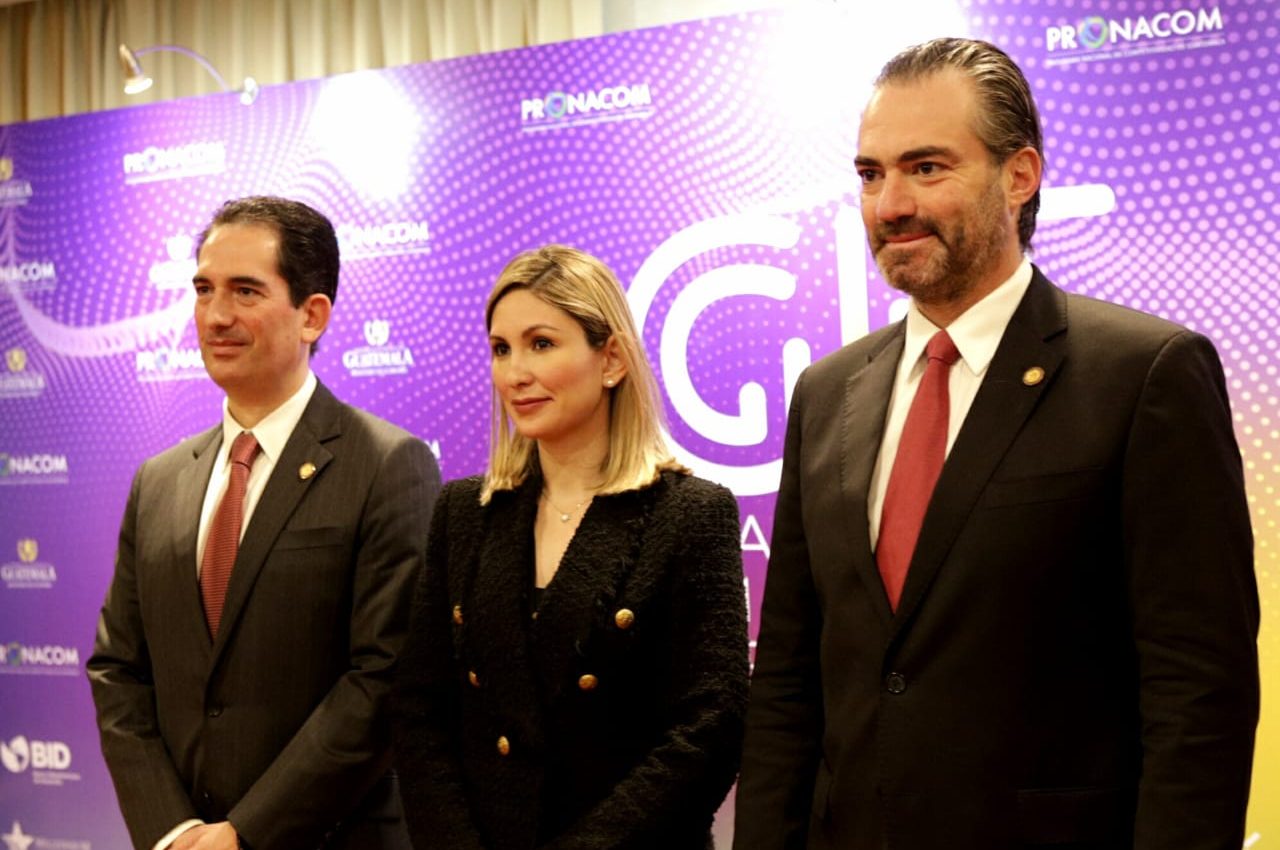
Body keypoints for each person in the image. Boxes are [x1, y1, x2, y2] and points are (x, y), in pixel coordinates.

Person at [735, 37, 1258, 850]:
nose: (890, 204)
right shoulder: (826, 394)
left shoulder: (1144, 376)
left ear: (1020, 176)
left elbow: (1198, 694)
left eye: (927, 168)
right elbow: (788, 682)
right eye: (871, 174)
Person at [87, 196, 441, 850]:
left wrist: (244, 835)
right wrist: (173, 831)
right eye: (204, 290)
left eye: (245, 291)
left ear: (312, 315)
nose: (216, 315)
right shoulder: (158, 481)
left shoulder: (387, 465)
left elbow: (383, 677)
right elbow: (119, 670)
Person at [393, 244, 749, 849]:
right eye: (501, 349)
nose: (515, 373)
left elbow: (709, 725)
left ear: (611, 359)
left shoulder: (690, 512)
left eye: (541, 344)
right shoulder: (464, 512)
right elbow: (420, 707)